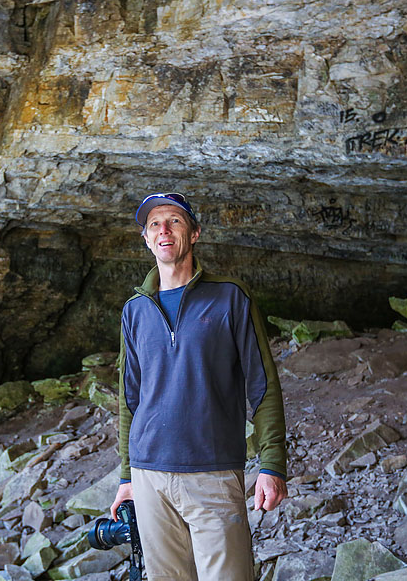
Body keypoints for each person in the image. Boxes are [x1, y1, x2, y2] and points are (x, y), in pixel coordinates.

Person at [109, 192, 288, 581]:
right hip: (149, 474)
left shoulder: (230, 298)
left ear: (194, 234)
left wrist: (273, 464)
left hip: (212, 472)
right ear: (146, 238)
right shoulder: (134, 310)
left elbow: (264, 386)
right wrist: (126, 477)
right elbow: (130, 399)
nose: (164, 230)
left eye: (174, 221)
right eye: (154, 223)